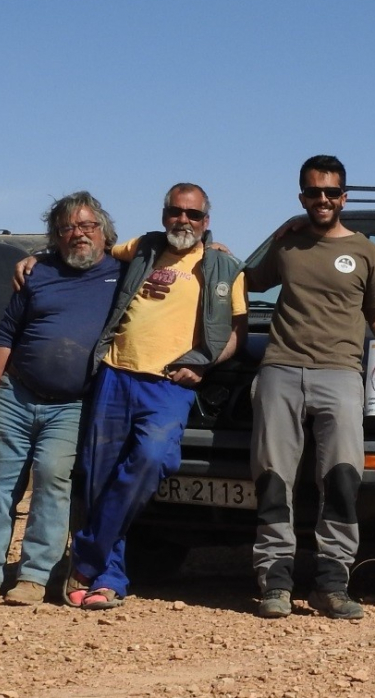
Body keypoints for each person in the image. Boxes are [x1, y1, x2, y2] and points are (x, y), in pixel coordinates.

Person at [67, 183, 247, 609]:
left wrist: (203, 362)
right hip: (116, 373)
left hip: (170, 383)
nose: (183, 221)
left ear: (207, 221)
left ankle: (86, 557)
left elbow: (237, 333)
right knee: (99, 477)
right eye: (176, 212)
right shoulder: (142, 248)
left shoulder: (224, 267)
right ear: (165, 214)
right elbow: (88, 251)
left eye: (194, 215)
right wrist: (33, 257)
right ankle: (108, 579)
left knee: (152, 459)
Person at [248, 155, 375, 621]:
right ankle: (274, 582)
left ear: (343, 197)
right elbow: (244, 283)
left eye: (331, 192)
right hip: (280, 367)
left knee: (342, 478)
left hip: (341, 374)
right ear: (302, 197)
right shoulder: (287, 244)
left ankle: (332, 585)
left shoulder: (364, 251)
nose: (322, 199)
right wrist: (215, 257)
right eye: (313, 192)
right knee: (273, 477)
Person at [0, 192, 121, 605]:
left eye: (88, 226)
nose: (78, 234)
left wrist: (213, 247)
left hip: (72, 404)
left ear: (104, 232)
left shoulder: (123, 274)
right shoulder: (37, 273)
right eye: (68, 228)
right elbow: (6, 333)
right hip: (17, 393)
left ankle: (34, 576)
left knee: (52, 479)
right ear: (55, 237)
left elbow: (175, 251)